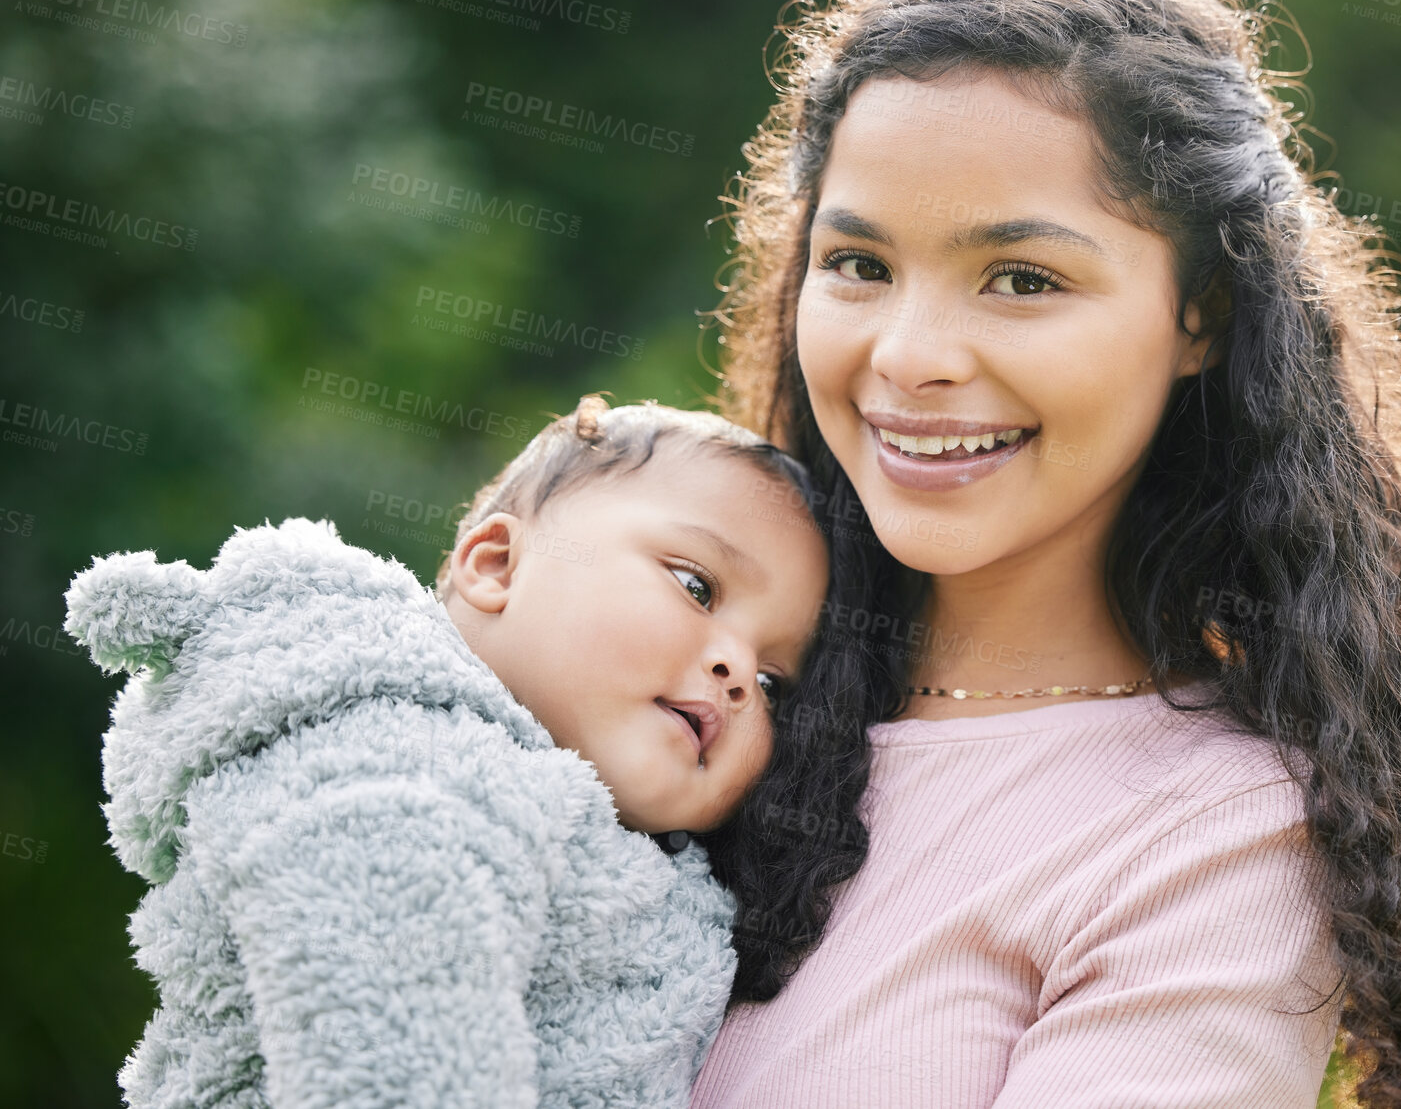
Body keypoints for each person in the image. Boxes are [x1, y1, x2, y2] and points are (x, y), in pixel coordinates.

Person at [689, 0, 1401, 1106]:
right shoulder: (697, 685)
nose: (909, 355)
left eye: (1020, 278)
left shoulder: (1215, 842)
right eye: (860, 264)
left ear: (1201, 316)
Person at [62, 395, 830, 1109]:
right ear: (496, 564)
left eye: (773, 679)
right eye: (696, 586)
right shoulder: (397, 756)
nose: (737, 676)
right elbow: (388, 1025)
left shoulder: (640, 864)